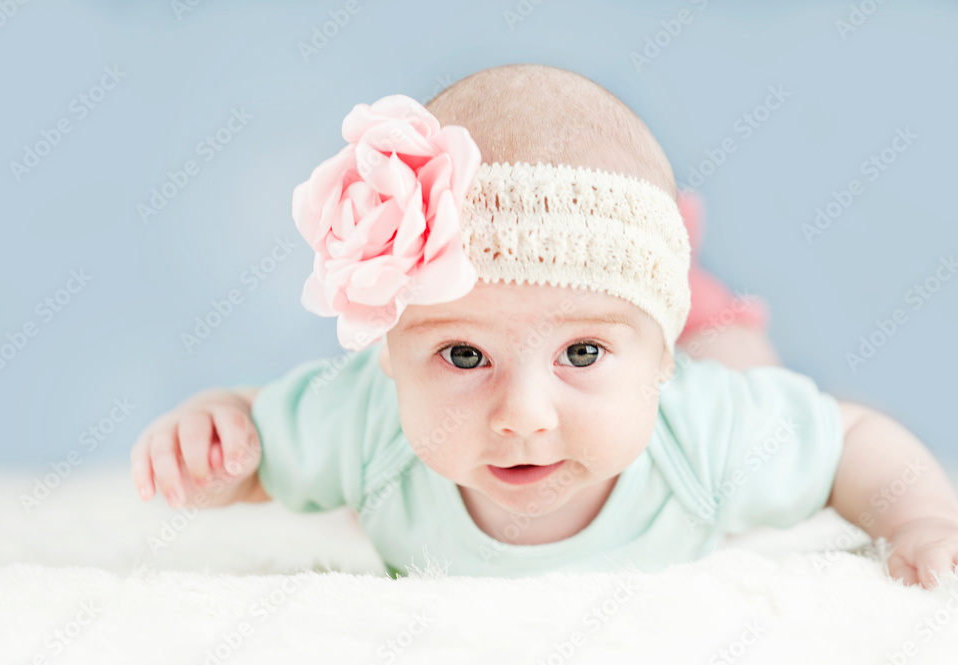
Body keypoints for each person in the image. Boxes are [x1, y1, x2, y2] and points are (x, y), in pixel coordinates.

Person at [130, 64, 958, 587]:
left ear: (657, 361)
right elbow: (259, 448)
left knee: (739, 356)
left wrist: (921, 518)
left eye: (582, 351)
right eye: (464, 353)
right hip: (635, 338)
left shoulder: (708, 429)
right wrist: (218, 443)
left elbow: (848, 439)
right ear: (390, 352)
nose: (523, 412)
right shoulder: (365, 420)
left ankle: (694, 300)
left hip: (697, 365)